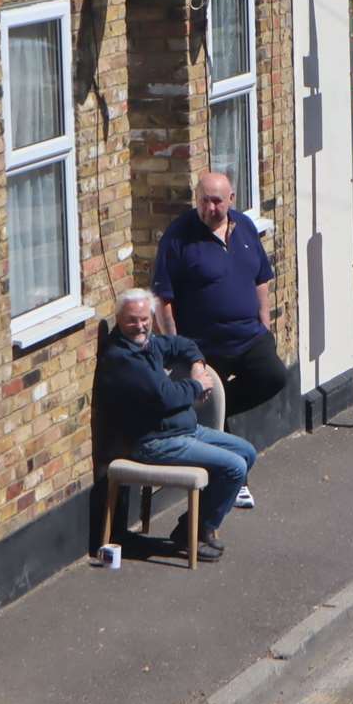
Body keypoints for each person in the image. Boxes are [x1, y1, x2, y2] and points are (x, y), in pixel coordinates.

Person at [152, 172, 288, 509]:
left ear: (231, 200)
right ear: (196, 199)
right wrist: (176, 346)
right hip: (205, 345)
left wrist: (264, 320)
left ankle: (218, 415)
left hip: (248, 335)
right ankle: (236, 482)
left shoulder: (243, 228)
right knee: (213, 397)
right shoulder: (178, 237)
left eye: (217, 200)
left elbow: (261, 277)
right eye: (204, 200)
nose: (210, 207)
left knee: (274, 376)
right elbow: (162, 299)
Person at [95, 288, 256, 563]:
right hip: (153, 442)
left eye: (145, 319)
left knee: (247, 452)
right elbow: (164, 397)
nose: (140, 326)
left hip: (184, 430)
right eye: (132, 320)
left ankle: (193, 526)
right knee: (234, 466)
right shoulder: (122, 359)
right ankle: (198, 531)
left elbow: (182, 344)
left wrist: (197, 365)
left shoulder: (148, 343)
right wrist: (197, 385)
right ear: (119, 320)